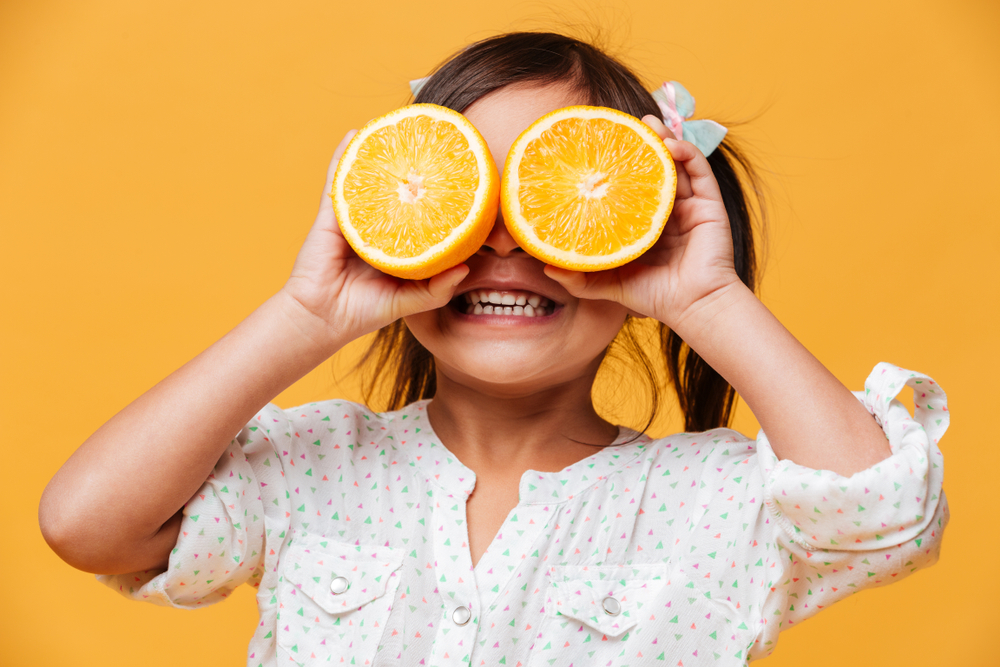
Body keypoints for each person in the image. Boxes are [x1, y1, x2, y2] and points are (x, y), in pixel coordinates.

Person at [39, 31, 948, 666]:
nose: (506, 242)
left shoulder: (713, 501)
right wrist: (307, 313)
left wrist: (707, 297)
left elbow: (884, 513)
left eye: (557, 202)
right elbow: (87, 524)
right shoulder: (313, 469)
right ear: (400, 217)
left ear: (642, 237)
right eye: (470, 198)